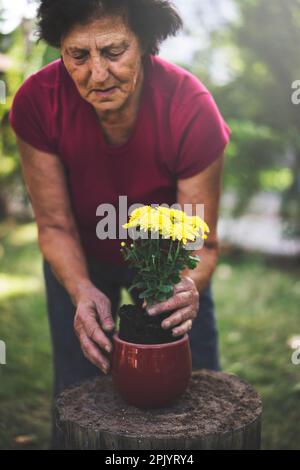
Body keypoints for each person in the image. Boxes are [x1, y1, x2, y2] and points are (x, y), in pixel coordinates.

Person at [9, 0, 231, 446]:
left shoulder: (191, 108)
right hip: (80, 259)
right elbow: (54, 225)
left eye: (113, 52)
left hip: (166, 260)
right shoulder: (36, 102)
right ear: (60, 50)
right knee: (78, 393)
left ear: (146, 44)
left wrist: (185, 288)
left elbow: (201, 243)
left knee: (196, 395)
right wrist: (81, 290)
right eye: (78, 55)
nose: (97, 74)